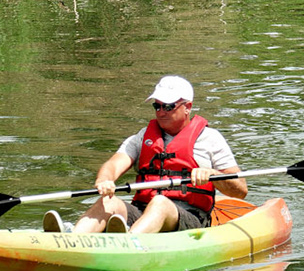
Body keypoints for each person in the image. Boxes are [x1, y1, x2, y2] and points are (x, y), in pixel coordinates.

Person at [57, 76, 248, 235]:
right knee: (109, 202)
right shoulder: (142, 137)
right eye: (157, 106)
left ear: (187, 107)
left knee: (160, 203)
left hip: (190, 217)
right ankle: (73, 240)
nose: (161, 112)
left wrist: (213, 174)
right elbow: (114, 165)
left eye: (168, 106)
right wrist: (104, 180)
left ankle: (127, 245)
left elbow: (240, 191)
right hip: (143, 211)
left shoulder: (210, 139)